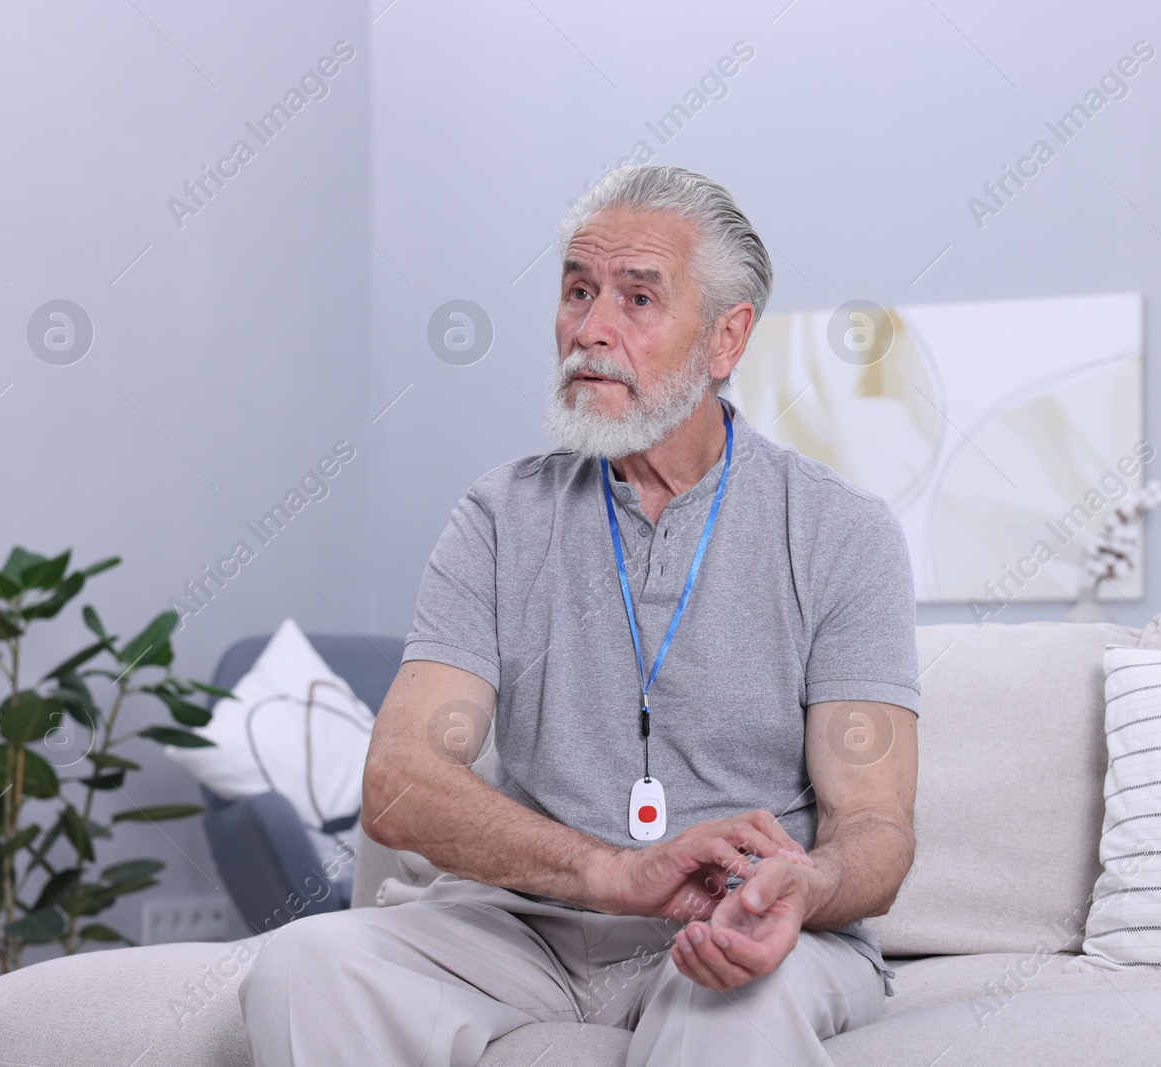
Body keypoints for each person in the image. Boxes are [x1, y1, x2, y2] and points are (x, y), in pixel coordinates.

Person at [240, 165, 920, 1066]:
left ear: (726, 338)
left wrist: (806, 885)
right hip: (525, 930)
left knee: (735, 1010)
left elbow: (875, 827)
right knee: (305, 963)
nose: (589, 330)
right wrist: (611, 872)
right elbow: (399, 781)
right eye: (577, 290)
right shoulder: (498, 516)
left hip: (738, 930)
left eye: (638, 298)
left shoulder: (841, 531)